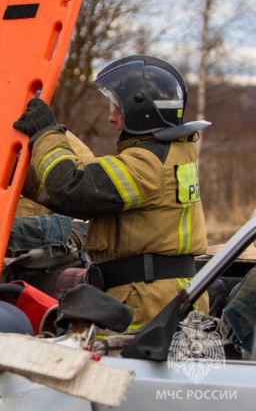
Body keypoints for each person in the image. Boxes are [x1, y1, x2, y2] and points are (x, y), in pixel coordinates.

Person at [12, 55, 210, 329]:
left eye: (118, 108)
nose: (111, 118)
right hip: (151, 297)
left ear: (141, 110)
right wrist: (17, 178)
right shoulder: (166, 157)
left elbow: (71, 189)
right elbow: (77, 200)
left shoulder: (148, 165)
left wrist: (46, 133)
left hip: (147, 304)